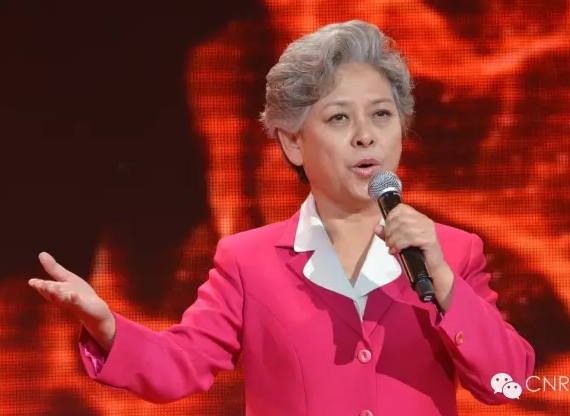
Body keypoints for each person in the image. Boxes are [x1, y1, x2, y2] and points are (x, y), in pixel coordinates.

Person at [29, 20, 535, 416]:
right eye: (339, 117)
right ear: (293, 143)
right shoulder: (247, 261)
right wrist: (106, 326)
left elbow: (507, 384)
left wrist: (443, 281)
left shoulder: (453, 252)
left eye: (382, 114)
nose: (366, 135)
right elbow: (179, 365)